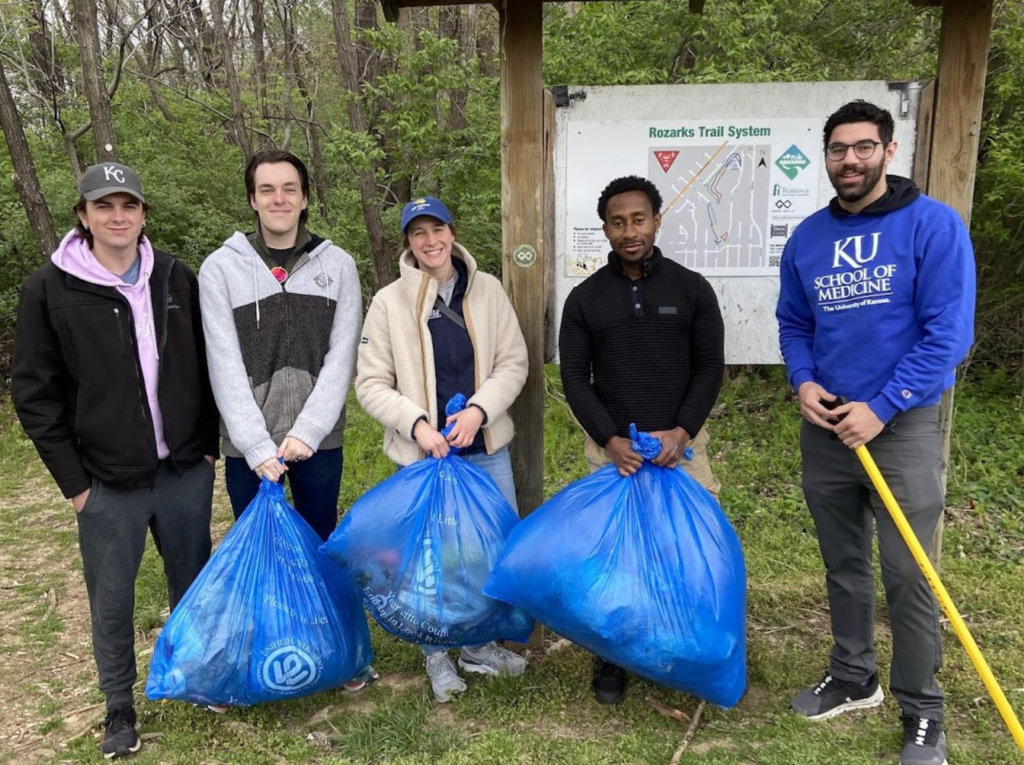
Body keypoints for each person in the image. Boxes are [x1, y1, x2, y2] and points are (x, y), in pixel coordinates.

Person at [776, 100, 975, 765]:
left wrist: (885, 405)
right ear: (826, 156)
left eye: (864, 147)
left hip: (901, 425)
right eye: (838, 149)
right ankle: (855, 676)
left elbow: (948, 333)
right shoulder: (807, 239)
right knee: (844, 564)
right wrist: (803, 381)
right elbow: (795, 322)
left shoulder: (933, 227)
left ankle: (922, 709)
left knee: (909, 572)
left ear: (890, 151)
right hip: (828, 424)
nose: (850, 160)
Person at [11, 163, 219, 759]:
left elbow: (210, 364)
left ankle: (196, 676)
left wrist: (206, 443)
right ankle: (118, 706)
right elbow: (34, 392)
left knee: (193, 581)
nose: (117, 216)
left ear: (143, 215)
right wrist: (75, 484)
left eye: (128, 205)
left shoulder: (177, 277)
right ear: (83, 216)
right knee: (112, 598)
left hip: (182, 469)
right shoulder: (48, 290)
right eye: (104, 206)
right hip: (106, 482)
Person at [199, 150, 376, 691]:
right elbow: (221, 363)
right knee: (258, 551)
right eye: (268, 189)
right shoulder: (220, 268)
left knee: (320, 543)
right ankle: (263, 650)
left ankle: (335, 652)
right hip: (249, 447)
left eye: (290, 188)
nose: (280, 199)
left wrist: (306, 433)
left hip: (317, 443)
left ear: (304, 196)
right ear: (252, 199)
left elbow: (341, 357)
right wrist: (256, 445)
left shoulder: (337, 265)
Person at [558, 174, 726, 704]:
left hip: (683, 449)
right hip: (613, 452)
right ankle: (612, 656)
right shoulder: (585, 299)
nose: (629, 231)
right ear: (605, 228)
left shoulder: (692, 289)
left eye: (638, 219)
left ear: (656, 220)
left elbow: (709, 367)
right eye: (617, 222)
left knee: (689, 552)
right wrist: (609, 439)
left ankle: (691, 649)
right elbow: (573, 379)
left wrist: (683, 430)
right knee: (616, 555)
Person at [356, 196, 530, 703]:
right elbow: (370, 383)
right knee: (432, 558)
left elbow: (513, 363)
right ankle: (436, 653)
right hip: (425, 456)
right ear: (408, 243)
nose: (430, 241)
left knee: (491, 551)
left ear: (452, 233)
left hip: (484, 447)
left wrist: (479, 410)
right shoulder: (389, 302)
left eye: (438, 230)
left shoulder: (489, 290)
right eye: (418, 233)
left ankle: (477, 645)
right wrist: (416, 425)